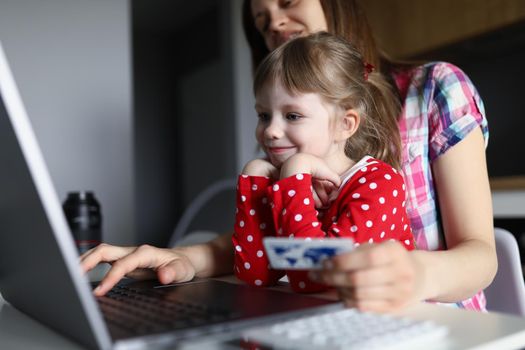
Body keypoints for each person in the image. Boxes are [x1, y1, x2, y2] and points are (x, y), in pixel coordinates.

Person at [81, 0, 496, 313]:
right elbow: (278, 249)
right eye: (262, 22)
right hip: (329, 317)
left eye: (288, 1)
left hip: (430, 325)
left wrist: (417, 274)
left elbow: (479, 254)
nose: (275, 23)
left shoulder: (434, 89)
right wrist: (182, 259)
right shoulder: (293, 134)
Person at [233, 32, 414, 294]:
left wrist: (295, 175)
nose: (270, 131)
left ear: (344, 124)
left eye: (292, 115)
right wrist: (254, 183)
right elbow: (255, 276)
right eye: (263, 115)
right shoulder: (283, 182)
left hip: (388, 321)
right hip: (323, 320)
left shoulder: (380, 184)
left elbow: (316, 278)